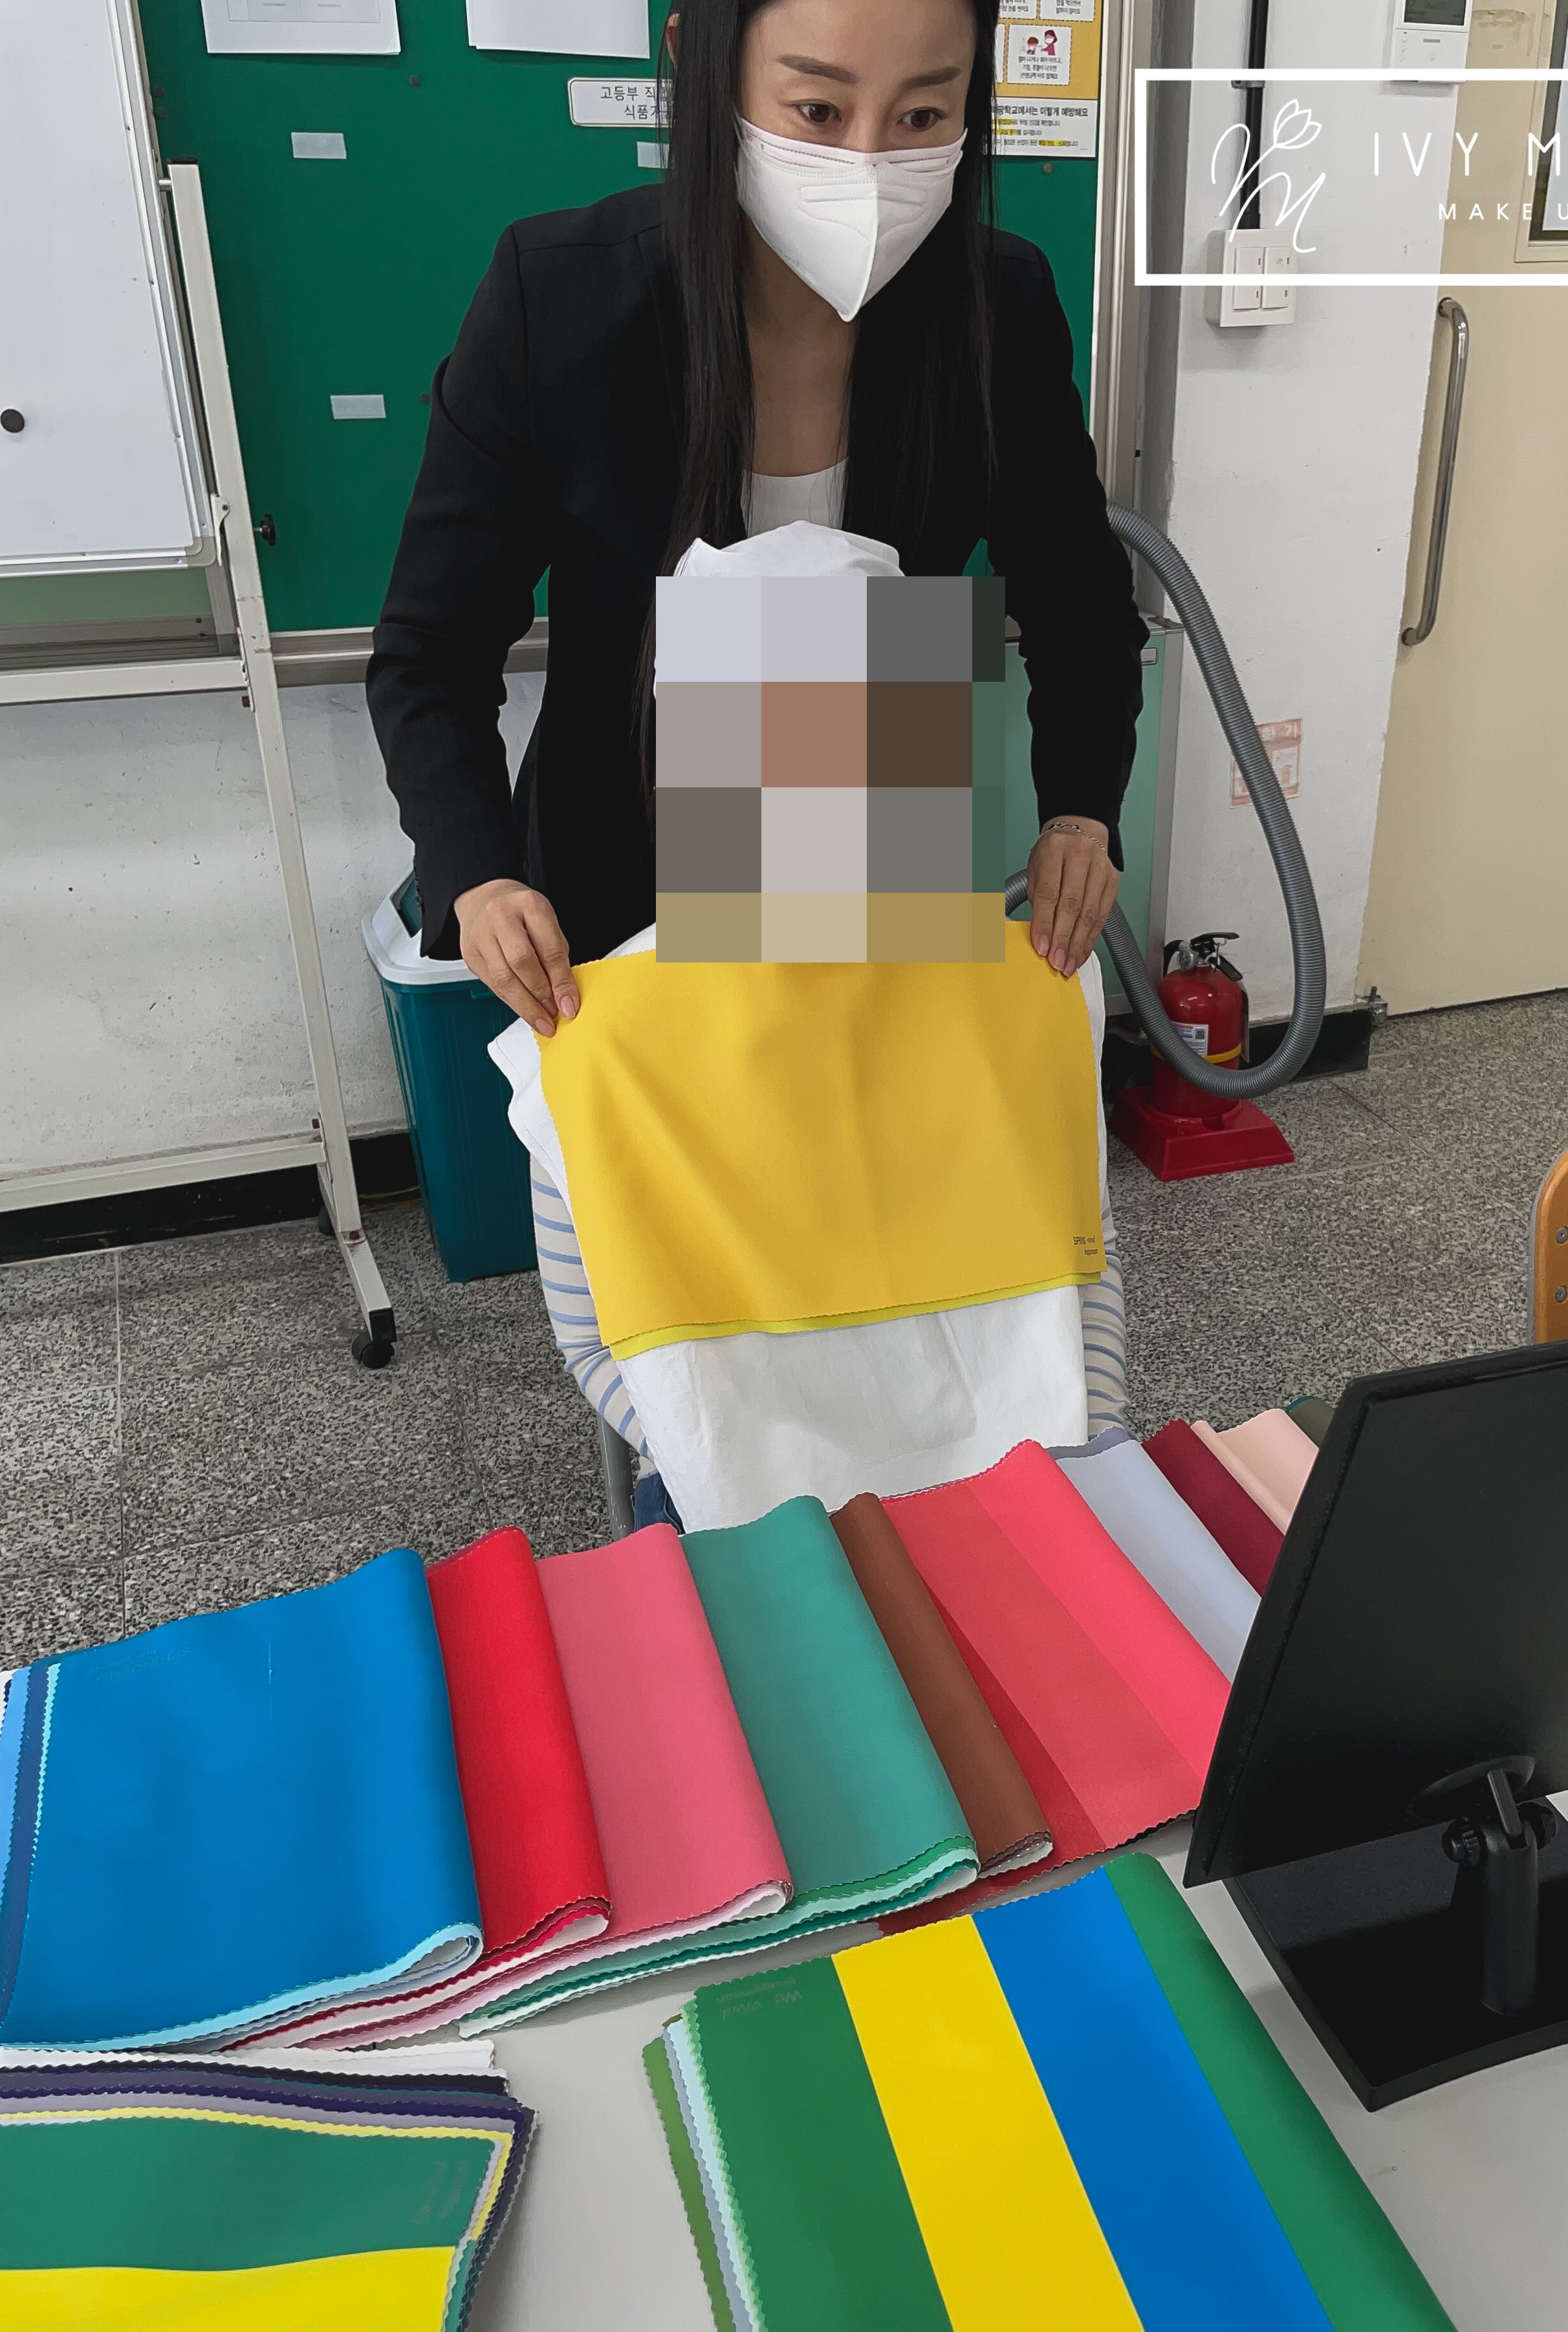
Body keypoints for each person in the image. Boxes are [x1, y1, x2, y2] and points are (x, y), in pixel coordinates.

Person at [368, 0, 1142, 1444]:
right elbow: (428, 649)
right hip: (627, 861)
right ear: (711, 72)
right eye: (817, 110)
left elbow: (1084, 606)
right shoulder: (559, 294)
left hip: (871, 813)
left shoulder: (998, 297)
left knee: (873, 1261)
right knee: (679, 1316)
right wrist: (475, 875)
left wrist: (1079, 808)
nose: (869, 161)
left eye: (924, 116)